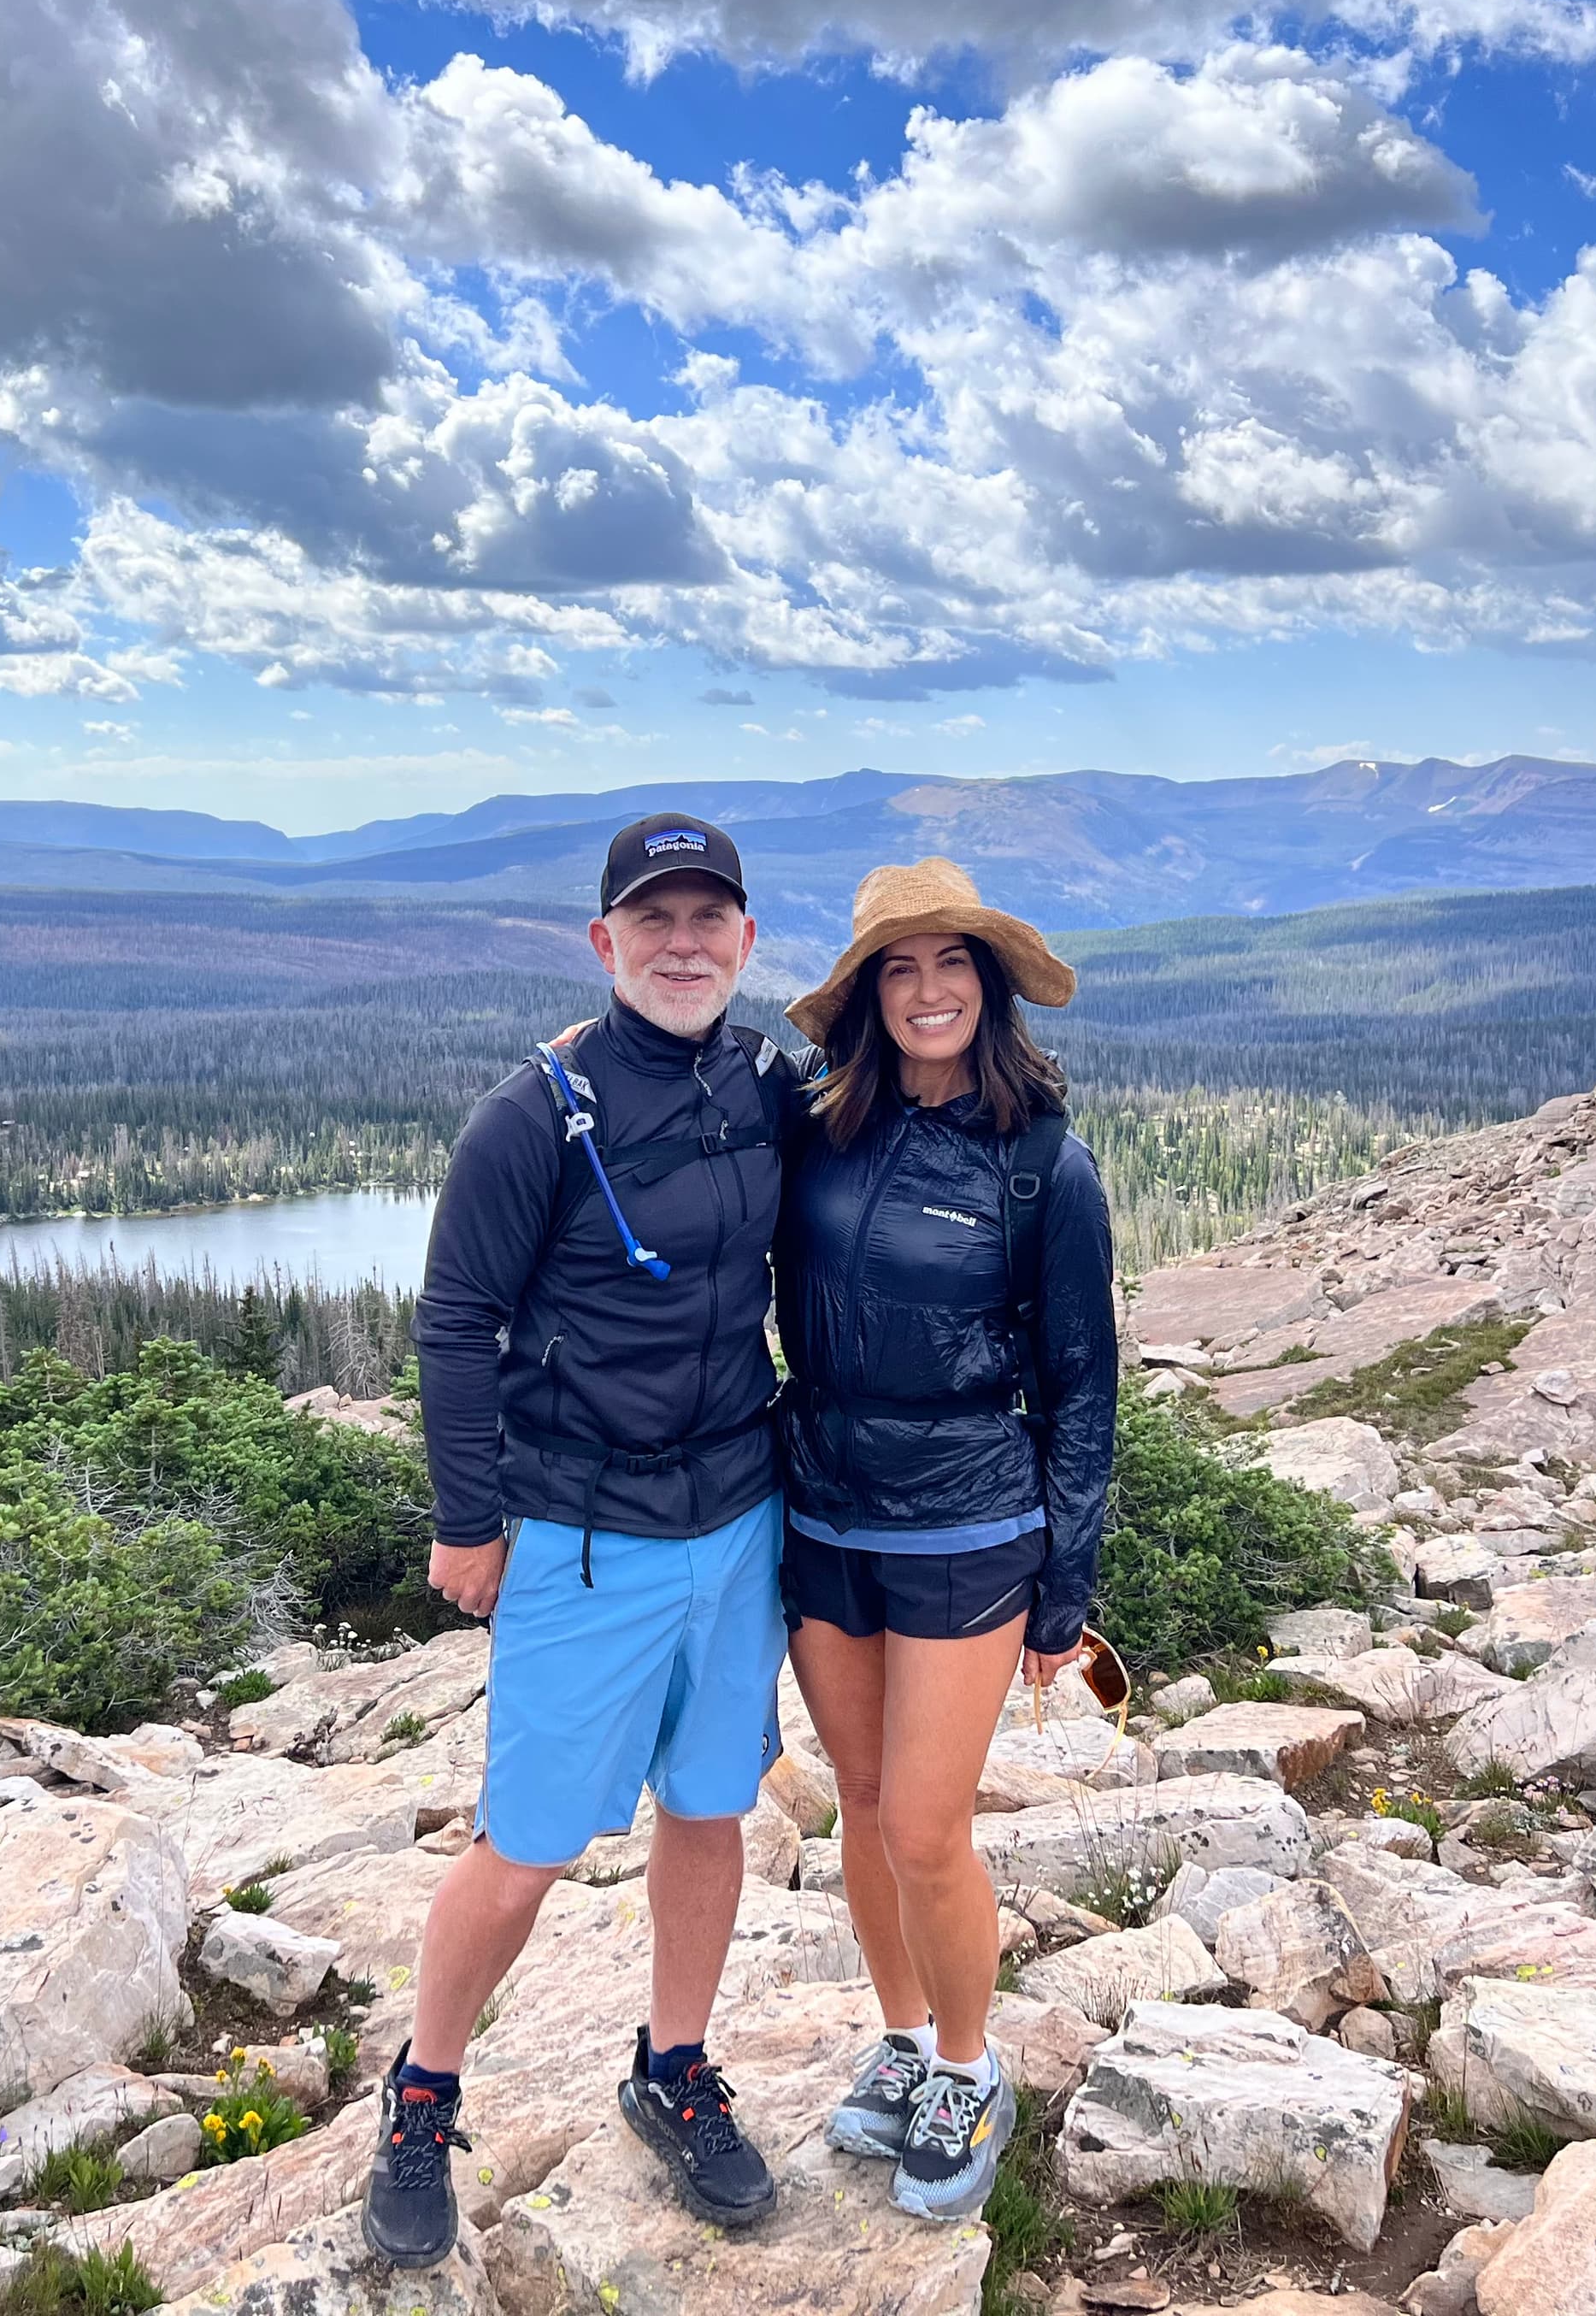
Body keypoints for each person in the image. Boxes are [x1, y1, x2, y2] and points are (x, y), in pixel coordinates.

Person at [363, 811, 799, 2269]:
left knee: (708, 1804)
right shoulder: (535, 1112)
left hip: (739, 1519)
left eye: (709, 920)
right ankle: (422, 2094)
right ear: (605, 943)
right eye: (653, 922)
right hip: (584, 1532)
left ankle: (673, 2070)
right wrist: (467, 1517)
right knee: (531, 1841)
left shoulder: (765, 1081)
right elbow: (454, 1321)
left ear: (745, 939)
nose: (684, 946)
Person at [771, 857, 1116, 2224]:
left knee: (924, 1826)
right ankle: (908, 2044)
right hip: (821, 1507)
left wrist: (1066, 1585)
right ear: (867, 996)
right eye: (898, 969)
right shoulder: (814, 1129)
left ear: (989, 985)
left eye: (950, 965)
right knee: (860, 1807)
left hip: (970, 1519)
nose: (927, 991)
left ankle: (972, 2073)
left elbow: (1085, 1385)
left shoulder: (1044, 1166)